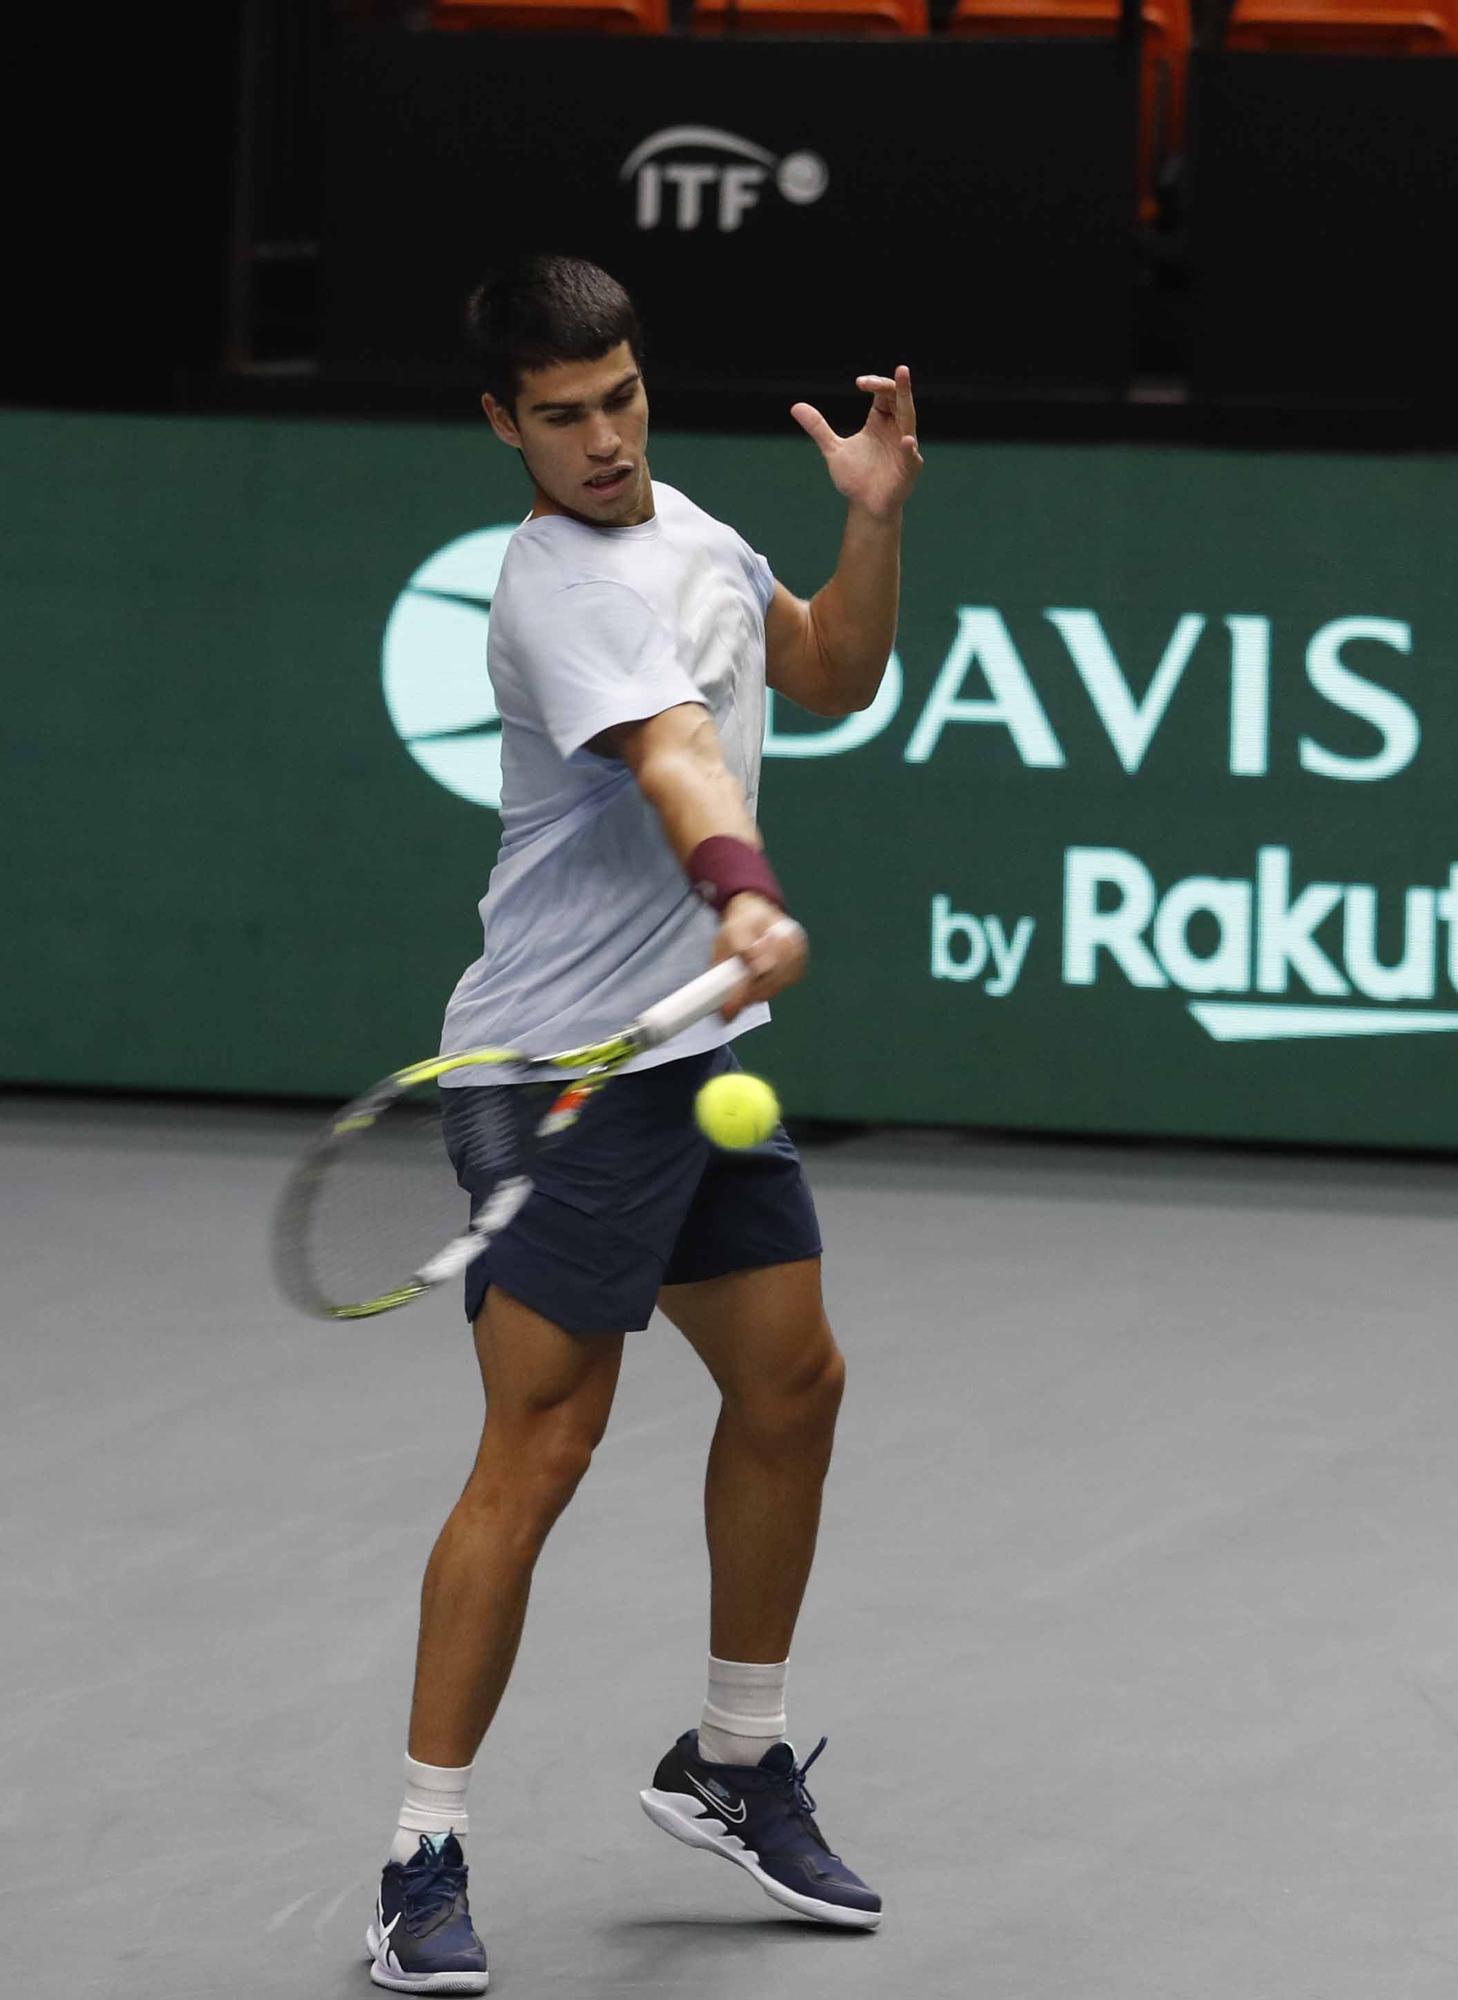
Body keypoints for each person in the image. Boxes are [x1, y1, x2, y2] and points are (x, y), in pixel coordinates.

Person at [365, 253, 923, 1993]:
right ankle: (415, 1860)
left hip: (693, 1052)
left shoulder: (685, 527)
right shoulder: (557, 595)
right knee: (540, 1450)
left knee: (793, 1383)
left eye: (617, 397)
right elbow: (683, 761)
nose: (602, 440)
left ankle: (733, 1761)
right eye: (561, 417)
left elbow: (825, 670)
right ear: (500, 426)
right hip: (559, 1074)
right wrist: (742, 890)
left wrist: (874, 519)